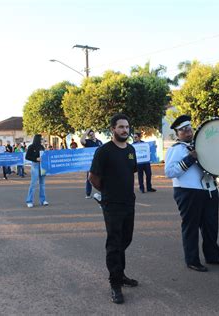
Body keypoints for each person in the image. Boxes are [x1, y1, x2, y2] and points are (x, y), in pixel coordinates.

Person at [165, 115, 219, 272]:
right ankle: (192, 260)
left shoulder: (202, 146)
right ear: (177, 134)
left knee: (211, 225)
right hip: (188, 192)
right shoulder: (176, 149)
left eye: (189, 128)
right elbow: (169, 172)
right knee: (191, 227)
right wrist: (189, 159)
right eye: (183, 130)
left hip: (209, 189)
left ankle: (212, 256)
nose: (187, 132)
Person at [88, 113, 139, 304]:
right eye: (121, 127)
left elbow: (129, 173)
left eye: (127, 127)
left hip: (129, 203)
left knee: (126, 239)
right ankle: (115, 283)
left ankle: (121, 274)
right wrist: (108, 193)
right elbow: (92, 178)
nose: (125, 130)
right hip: (112, 205)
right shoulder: (104, 151)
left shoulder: (131, 150)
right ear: (113, 129)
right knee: (114, 243)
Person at [25, 135, 48, 208]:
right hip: (35, 165)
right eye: (40, 139)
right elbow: (27, 157)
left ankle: (43, 200)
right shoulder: (31, 147)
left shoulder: (42, 147)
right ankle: (29, 201)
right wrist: (36, 159)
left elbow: (44, 155)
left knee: (42, 184)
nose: (41, 140)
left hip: (43, 166)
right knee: (33, 183)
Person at [81, 128, 103, 199]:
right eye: (90, 135)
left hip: (99, 162)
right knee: (89, 178)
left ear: (94, 134)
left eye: (92, 134)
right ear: (88, 136)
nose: (92, 136)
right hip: (90, 163)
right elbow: (82, 141)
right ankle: (88, 193)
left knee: (102, 177)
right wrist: (86, 131)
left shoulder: (99, 142)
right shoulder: (87, 142)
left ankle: (103, 192)